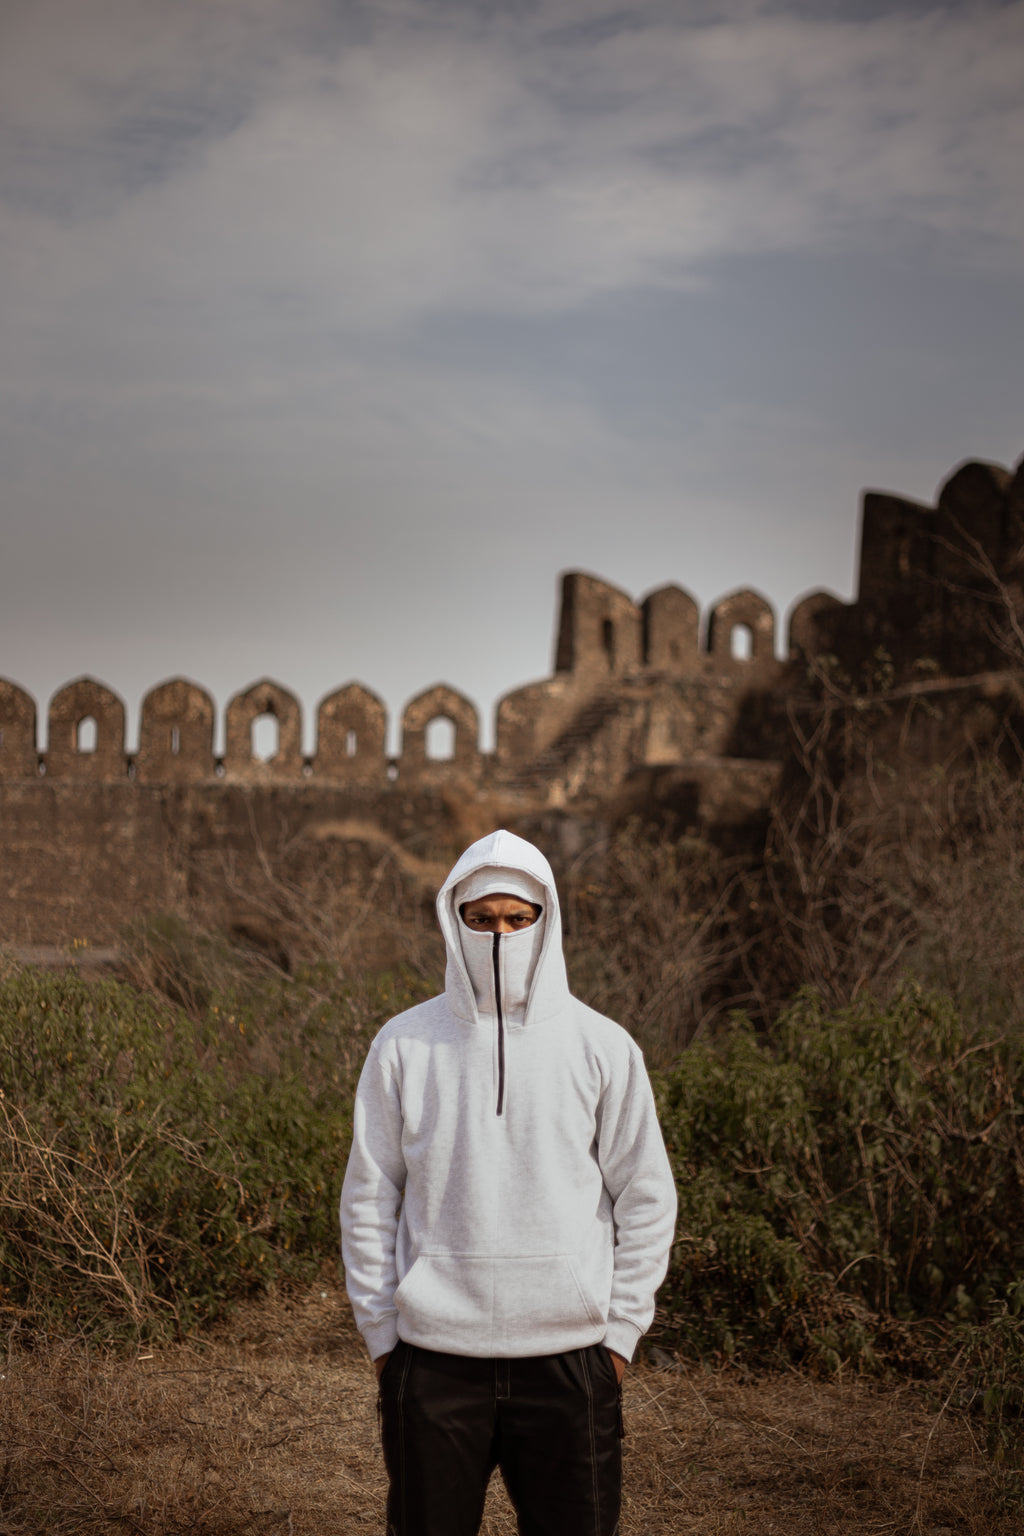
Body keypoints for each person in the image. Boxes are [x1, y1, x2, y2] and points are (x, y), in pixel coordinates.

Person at [340, 828, 677, 1536]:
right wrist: (382, 1340)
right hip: (433, 1364)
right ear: (452, 921)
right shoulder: (403, 1044)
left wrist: (618, 1340)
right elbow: (370, 1196)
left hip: (571, 1364)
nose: (501, 935)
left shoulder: (602, 1047)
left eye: (518, 919)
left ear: (545, 921)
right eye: (483, 919)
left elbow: (645, 1196)